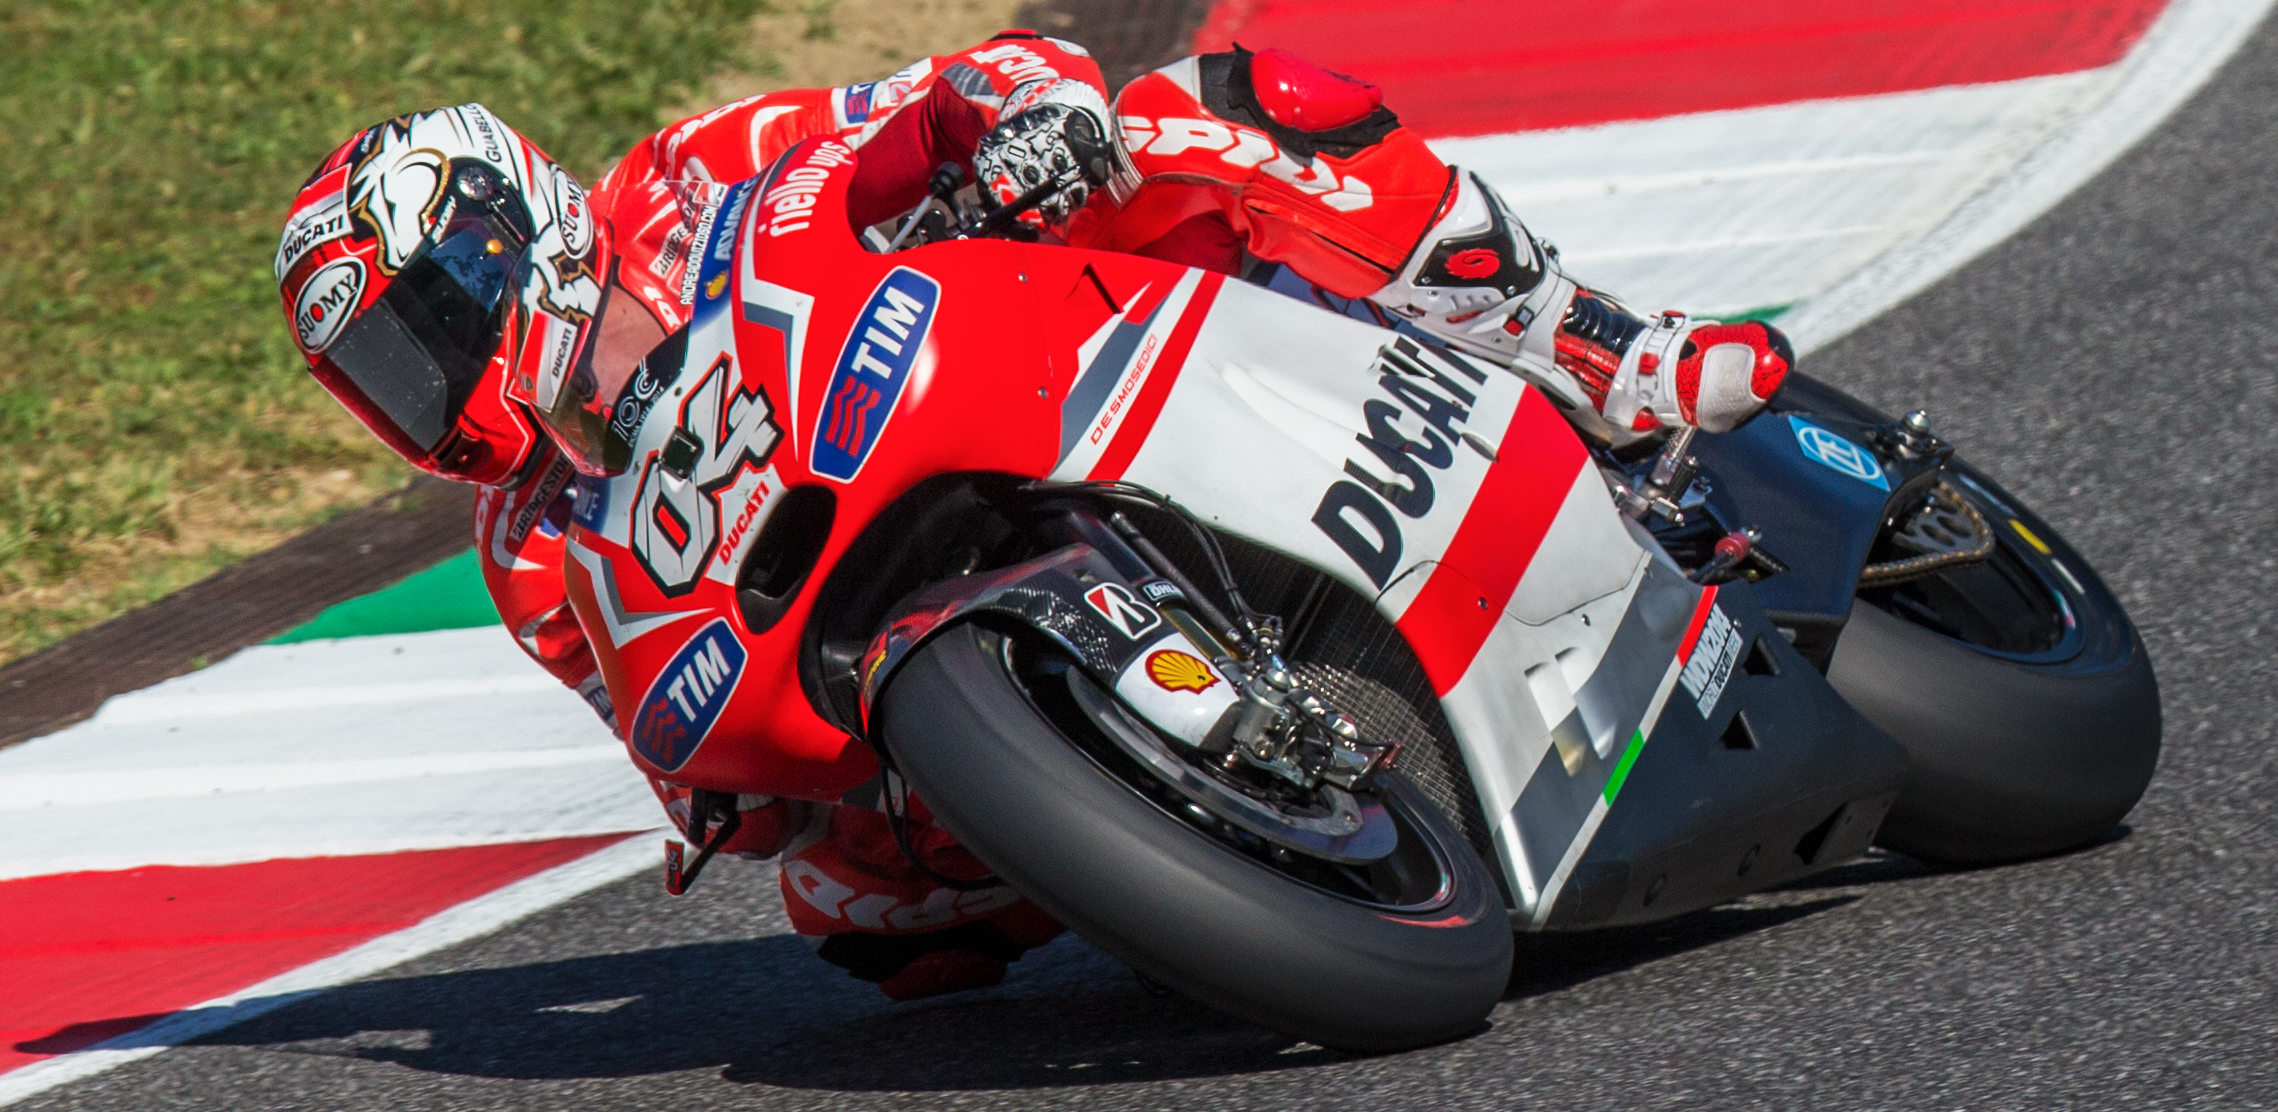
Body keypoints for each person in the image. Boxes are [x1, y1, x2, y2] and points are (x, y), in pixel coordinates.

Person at [274, 30, 1791, 1000]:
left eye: (418, 332)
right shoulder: (531, 552)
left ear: (505, 239)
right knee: (852, 909)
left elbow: (928, 101)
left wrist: (1024, 118)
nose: (419, 392)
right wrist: (726, 805)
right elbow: (677, 752)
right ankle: (1215, 837)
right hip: (877, 605)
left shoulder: (687, 178)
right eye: (378, 379)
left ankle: (1594, 350)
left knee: (1201, 114)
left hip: (1029, 353)